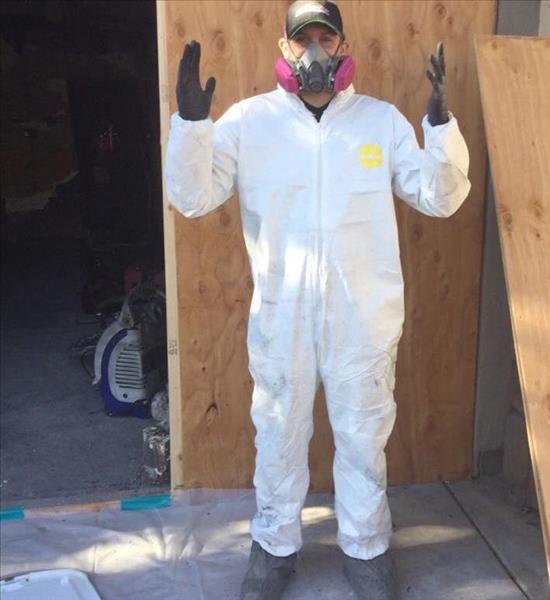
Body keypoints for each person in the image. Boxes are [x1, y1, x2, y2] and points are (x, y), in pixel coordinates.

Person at [165, 1, 471, 598]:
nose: (313, 51)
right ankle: (274, 549)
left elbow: (439, 197)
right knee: (277, 433)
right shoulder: (248, 123)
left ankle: (366, 549)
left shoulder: (379, 123)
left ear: (341, 45)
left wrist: (440, 125)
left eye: (324, 39)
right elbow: (193, 196)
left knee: (363, 434)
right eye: (301, 40)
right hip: (284, 316)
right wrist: (192, 125)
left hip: (363, 315)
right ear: (284, 50)